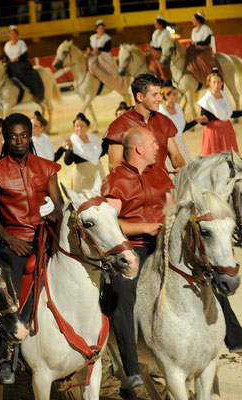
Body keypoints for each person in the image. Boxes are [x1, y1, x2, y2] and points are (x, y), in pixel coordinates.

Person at [0, 112, 63, 384]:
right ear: (5, 138)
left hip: (46, 235)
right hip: (14, 240)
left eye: (24, 136)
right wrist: (11, 240)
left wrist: (54, 212)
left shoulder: (47, 168)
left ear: (30, 136)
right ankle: (7, 355)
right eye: (13, 136)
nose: (19, 141)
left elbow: (59, 204)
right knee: (10, 294)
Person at [101, 127, 175, 390]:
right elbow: (109, 225)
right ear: (139, 149)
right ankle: (131, 368)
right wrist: (144, 228)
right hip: (130, 248)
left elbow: (171, 207)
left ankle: (232, 334)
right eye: (154, 143)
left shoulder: (160, 173)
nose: (158, 147)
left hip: (163, 240)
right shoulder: (116, 180)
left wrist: (169, 226)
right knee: (124, 295)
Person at [104, 73, 185, 173]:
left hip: (163, 184)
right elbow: (114, 166)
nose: (160, 98)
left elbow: (175, 155)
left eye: (159, 93)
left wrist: (181, 167)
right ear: (140, 97)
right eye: (155, 95)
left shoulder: (163, 121)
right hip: (134, 187)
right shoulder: (119, 126)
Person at [197, 68, 242, 156]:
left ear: (222, 83)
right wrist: (203, 119)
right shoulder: (206, 100)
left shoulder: (224, 97)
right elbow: (205, 117)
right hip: (213, 132)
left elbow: (230, 114)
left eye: (218, 82)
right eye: (214, 82)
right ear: (209, 83)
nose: (216, 85)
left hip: (227, 130)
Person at [158, 80, 208, 169]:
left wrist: (196, 121)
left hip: (181, 142)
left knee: (185, 167)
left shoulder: (178, 108)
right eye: (174, 94)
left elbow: (181, 128)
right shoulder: (160, 111)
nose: (177, 97)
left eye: (177, 94)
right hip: (169, 145)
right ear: (166, 95)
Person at [55, 112, 103, 189]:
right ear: (74, 127)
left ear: (87, 127)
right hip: (81, 176)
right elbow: (67, 162)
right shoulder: (72, 142)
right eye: (77, 126)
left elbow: (99, 154)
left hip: (97, 172)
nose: (79, 128)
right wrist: (70, 149)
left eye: (82, 126)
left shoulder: (94, 140)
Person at [4, 25, 45, 102]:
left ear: (17, 35)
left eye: (14, 34)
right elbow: (6, 57)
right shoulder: (7, 45)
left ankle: (31, 89)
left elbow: (24, 55)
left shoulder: (21, 43)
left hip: (21, 62)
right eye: (11, 34)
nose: (13, 35)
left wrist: (17, 59)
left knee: (20, 71)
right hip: (11, 64)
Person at [86, 20, 127, 94]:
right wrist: (89, 49)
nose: (101, 30)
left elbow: (108, 48)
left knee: (106, 67)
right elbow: (90, 46)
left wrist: (99, 49)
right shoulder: (93, 37)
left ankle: (107, 80)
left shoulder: (107, 38)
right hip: (93, 54)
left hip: (103, 55)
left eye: (102, 28)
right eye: (99, 28)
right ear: (97, 29)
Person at [186, 11, 220, 86]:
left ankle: (207, 78)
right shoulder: (193, 30)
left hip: (204, 49)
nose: (192, 21)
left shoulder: (206, 29)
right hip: (195, 49)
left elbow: (207, 41)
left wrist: (198, 43)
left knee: (200, 59)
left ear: (198, 20)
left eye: (193, 19)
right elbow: (192, 40)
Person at [147, 15, 171, 81]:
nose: (155, 25)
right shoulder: (155, 32)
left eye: (156, 23)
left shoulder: (166, 33)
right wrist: (150, 46)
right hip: (153, 51)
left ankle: (164, 78)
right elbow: (152, 42)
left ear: (160, 24)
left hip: (161, 52)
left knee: (160, 64)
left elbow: (164, 43)